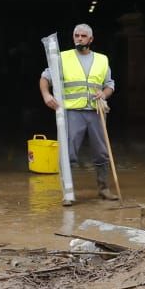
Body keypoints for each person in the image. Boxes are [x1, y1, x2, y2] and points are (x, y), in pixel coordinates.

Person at [39, 23, 115, 201]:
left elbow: (109, 84)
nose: (79, 38)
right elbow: (45, 77)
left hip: (96, 111)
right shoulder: (62, 57)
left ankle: (104, 189)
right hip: (73, 111)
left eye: (82, 36)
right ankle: (68, 193)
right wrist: (46, 95)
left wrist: (103, 93)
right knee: (68, 152)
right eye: (76, 35)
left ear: (91, 39)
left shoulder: (102, 60)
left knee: (102, 152)